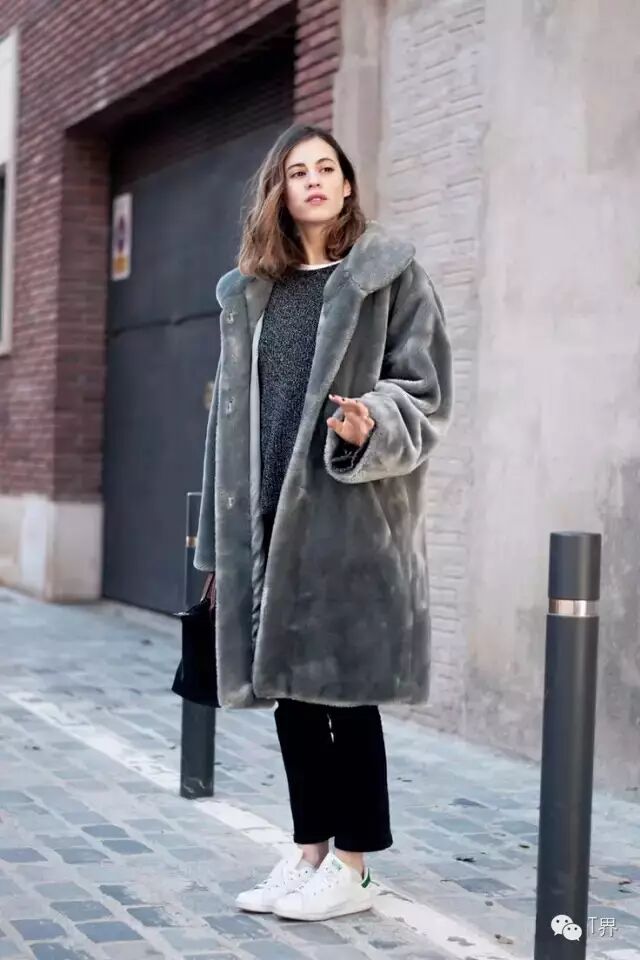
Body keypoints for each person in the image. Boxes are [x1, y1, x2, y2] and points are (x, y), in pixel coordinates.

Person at [193, 123, 453, 923]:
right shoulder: (249, 293)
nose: (312, 180)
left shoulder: (390, 277)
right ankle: (309, 850)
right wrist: (217, 543)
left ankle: (355, 866)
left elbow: (426, 391)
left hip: (350, 517)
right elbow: (225, 420)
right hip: (266, 514)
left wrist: (369, 422)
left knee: (344, 694)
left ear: (346, 185)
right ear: (279, 190)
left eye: (326, 168)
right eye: (297, 170)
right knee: (292, 696)